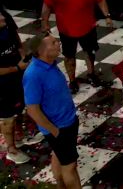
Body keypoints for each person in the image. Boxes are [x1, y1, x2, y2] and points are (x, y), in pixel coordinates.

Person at [41, 0, 113, 94]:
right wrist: (44, 22)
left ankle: (91, 74)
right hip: (66, 29)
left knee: (90, 53)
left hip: (88, 27)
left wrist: (107, 16)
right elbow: (47, 5)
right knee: (69, 56)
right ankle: (72, 81)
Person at [23, 35, 81, 189]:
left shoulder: (50, 64)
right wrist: (55, 131)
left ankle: (60, 186)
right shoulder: (33, 74)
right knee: (70, 167)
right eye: (53, 43)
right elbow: (32, 110)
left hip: (68, 120)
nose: (58, 43)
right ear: (41, 50)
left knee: (58, 156)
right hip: (59, 127)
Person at [0, 8, 43, 164]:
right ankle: (11, 149)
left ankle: (18, 137)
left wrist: (24, 58)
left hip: (16, 75)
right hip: (2, 82)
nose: (3, 17)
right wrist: (17, 68)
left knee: (18, 107)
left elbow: (17, 42)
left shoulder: (7, 24)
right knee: (7, 117)